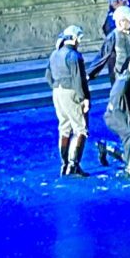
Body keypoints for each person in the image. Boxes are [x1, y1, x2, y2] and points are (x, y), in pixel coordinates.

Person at [45, 27, 91, 178]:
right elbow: (79, 80)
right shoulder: (74, 56)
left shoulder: (54, 54)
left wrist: (56, 87)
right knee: (80, 129)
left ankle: (64, 165)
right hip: (71, 91)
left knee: (64, 128)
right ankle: (74, 164)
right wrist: (84, 98)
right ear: (74, 38)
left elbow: (48, 76)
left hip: (57, 92)